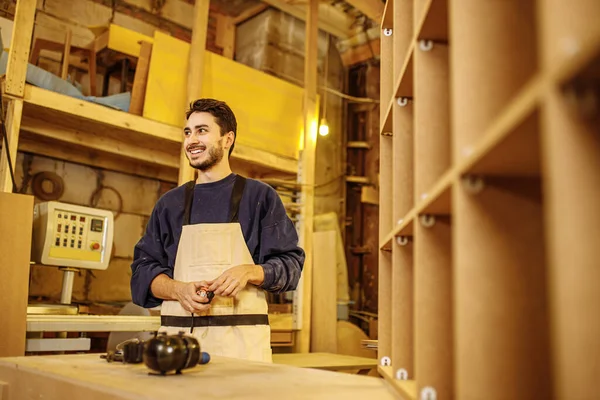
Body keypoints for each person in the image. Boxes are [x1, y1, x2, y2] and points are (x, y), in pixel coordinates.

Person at [130, 98, 305, 363]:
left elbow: (290, 266)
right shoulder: (169, 204)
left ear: (227, 139)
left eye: (202, 130)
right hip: (178, 349)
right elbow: (142, 274)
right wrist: (178, 290)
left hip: (243, 352)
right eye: (188, 132)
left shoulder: (259, 197)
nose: (191, 140)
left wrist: (248, 272)